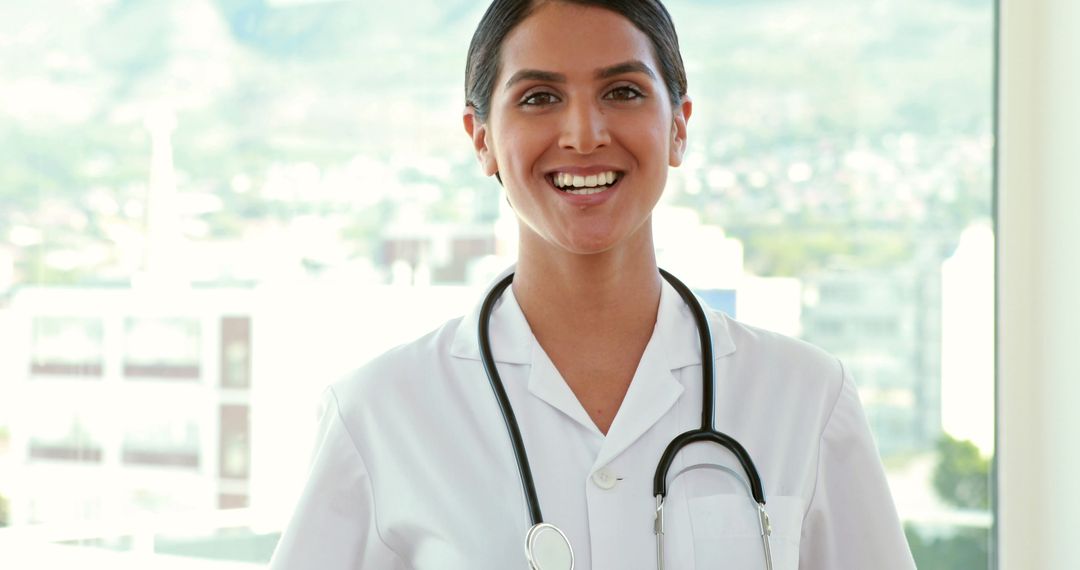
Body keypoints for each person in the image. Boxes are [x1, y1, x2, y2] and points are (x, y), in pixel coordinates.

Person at [269, 0, 916, 568]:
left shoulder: (805, 398)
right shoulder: (379, 415)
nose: (583, 134)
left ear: (680, 125)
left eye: (623, 92)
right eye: (539, 97)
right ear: (482, 139)